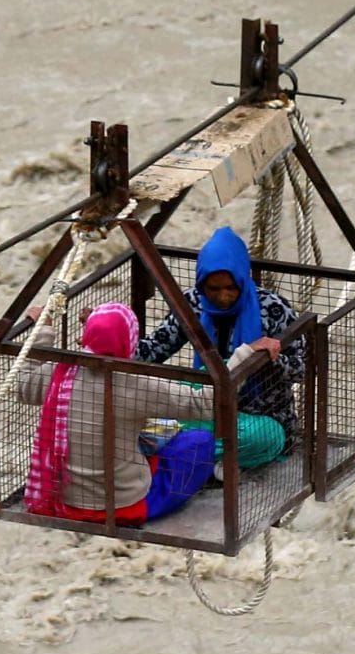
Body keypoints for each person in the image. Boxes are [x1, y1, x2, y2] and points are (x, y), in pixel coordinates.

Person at [17, 302, 261, 525]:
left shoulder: (59, 372)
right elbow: (208, 403)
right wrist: (245, 355)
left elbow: (23, 386)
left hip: (63, 500)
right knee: (200, 441)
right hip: (121, 507)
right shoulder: (136, 384)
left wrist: (43, 331)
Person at [134, 224, 304, 473]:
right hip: (206, 407)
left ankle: (184, 453)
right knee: (155, 411)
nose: (223, 297)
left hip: (258, 416)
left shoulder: (273, 309)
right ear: (201, 285)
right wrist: (108, 338)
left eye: (231, 288)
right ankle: (205, 458)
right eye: (214, 289)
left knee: (266, 438)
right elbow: (154, 349)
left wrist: (268, 358)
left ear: (242, 281)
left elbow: (303, 368)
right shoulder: (192, 305)